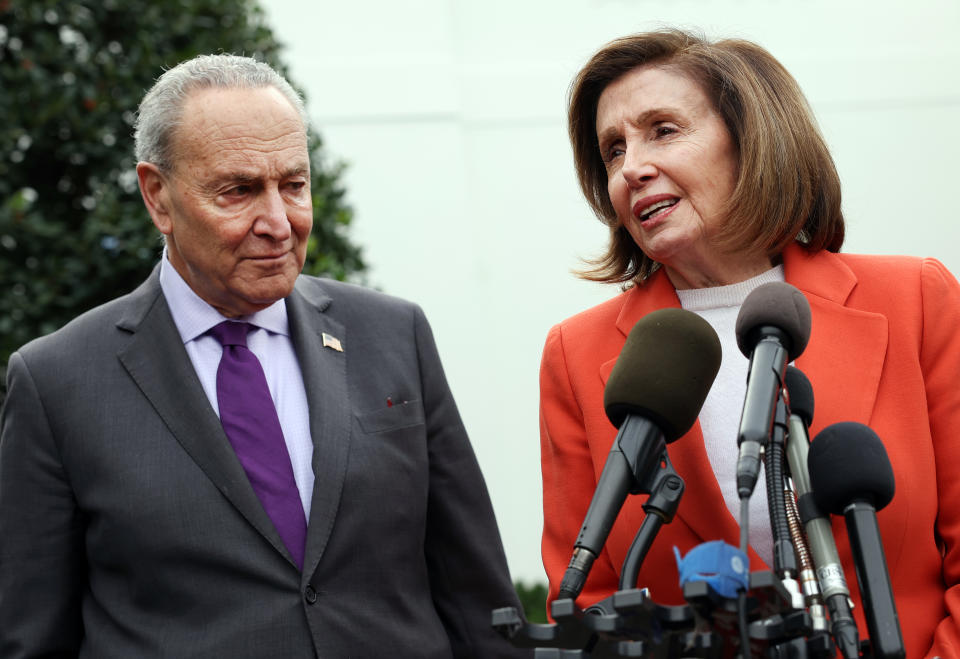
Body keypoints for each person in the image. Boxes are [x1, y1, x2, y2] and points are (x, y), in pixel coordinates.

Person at [0, 54, 528, 658]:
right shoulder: (58, 382)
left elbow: (477, 597)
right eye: (239, 190)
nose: (277, 222)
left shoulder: (393, 334)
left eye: (294, 186)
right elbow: (32, 637)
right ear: (158, 197)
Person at [539, 29, 960, 656]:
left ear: (753, 139)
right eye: (612, 151)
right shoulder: (575, 354)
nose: (632, 168)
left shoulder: (917, 301)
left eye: (664, 130)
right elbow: (589, 597)